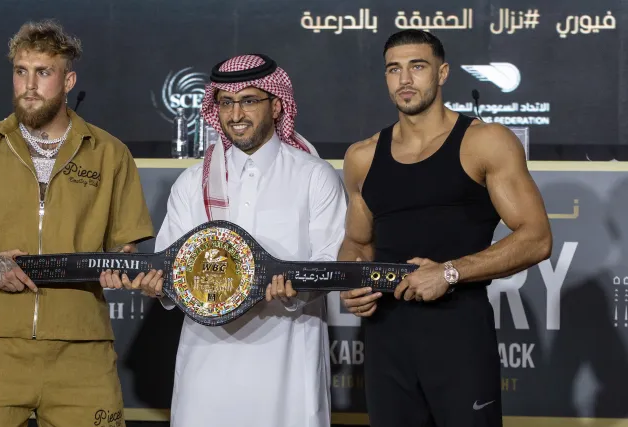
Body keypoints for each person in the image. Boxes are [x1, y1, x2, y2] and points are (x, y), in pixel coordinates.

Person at [0, 20, 154, 427]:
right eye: (20, 71)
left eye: (43, 72)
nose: (29, 85)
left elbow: (126, 245)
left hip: (82, 350)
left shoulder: (109, 153)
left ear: (68, 81)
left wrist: (122, 262)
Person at [116, 54, 347, 427]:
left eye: (249, 101)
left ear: (276, 105)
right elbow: (169, 267)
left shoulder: (314, 176)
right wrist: (158, 287)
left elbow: (330, 262)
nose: (236, 114)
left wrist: (293, 291)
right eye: (226, 102)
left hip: (288, 355)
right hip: (207, 361)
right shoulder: (194, 182)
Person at [338, 29, 552, 427]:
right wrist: (354, 281)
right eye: (394, 69)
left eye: (417, 67)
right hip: (385, 339)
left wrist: (449, 272)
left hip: (459, 333)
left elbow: (536, 238)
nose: (404, 80)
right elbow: (357, 241)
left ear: (442, 73)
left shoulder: (485, 142)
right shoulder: (362, 156)